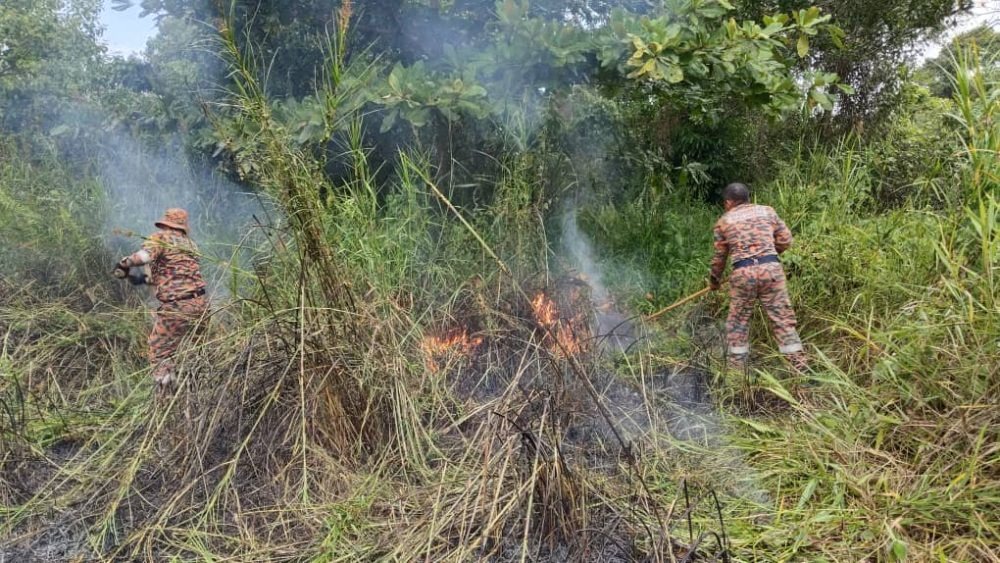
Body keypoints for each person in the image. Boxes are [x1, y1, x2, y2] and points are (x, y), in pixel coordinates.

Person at [708, 183, 808, 373]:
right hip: (772, 271)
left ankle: (737, 374)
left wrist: (714, 280)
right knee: (782, 320)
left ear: (728, 202)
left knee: (738, 323)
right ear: (747, 198)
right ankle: (799, 369)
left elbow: (719, 258)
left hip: (743, 274)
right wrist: (766, 258)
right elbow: (786, 240)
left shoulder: (724, 221)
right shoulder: (767, 211)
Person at [114, 208, 208, 392]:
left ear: (165, 224)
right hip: (201, 305)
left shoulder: (161, 238)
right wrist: (141, 279)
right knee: (196, 352)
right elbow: (176, 274)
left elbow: (144, 256)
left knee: (159, 350)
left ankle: (165, 400)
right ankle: (198, 391)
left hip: (177, 307)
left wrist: (124, 263)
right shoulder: (190, 245)